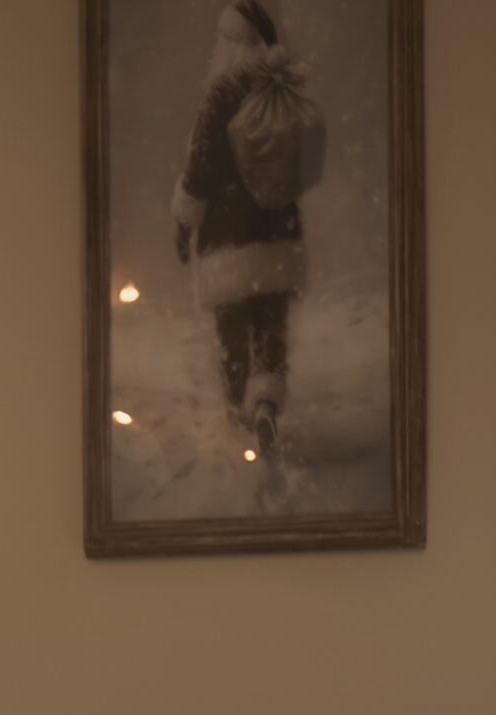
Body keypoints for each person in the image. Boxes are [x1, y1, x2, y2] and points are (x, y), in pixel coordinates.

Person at [173, 0, 316, 454]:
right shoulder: (282, 89)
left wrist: (183, 220)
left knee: (233, 335)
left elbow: (199, 165)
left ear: (233, 44)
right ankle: (266, 407)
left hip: (229, 239)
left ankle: (241, 413)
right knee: (270, 328)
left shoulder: (222, 95)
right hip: (278, 235)